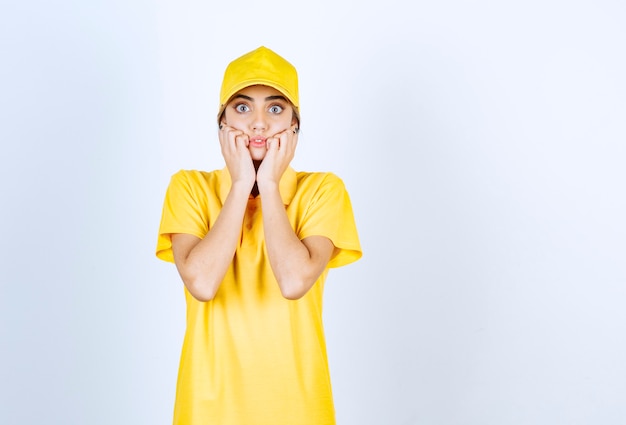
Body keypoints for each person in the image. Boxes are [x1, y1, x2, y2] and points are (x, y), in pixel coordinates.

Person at [156, 46, 362, 425]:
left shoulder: (322, 191)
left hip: (299, 407)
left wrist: (267, 184)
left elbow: (293, 280)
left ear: (295, 125)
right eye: (242, 106)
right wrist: (239, 187)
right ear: (221, 122)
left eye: (276, 108)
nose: (259, 124)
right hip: (207, 407)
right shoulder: (188, 187)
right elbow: (201, 282)